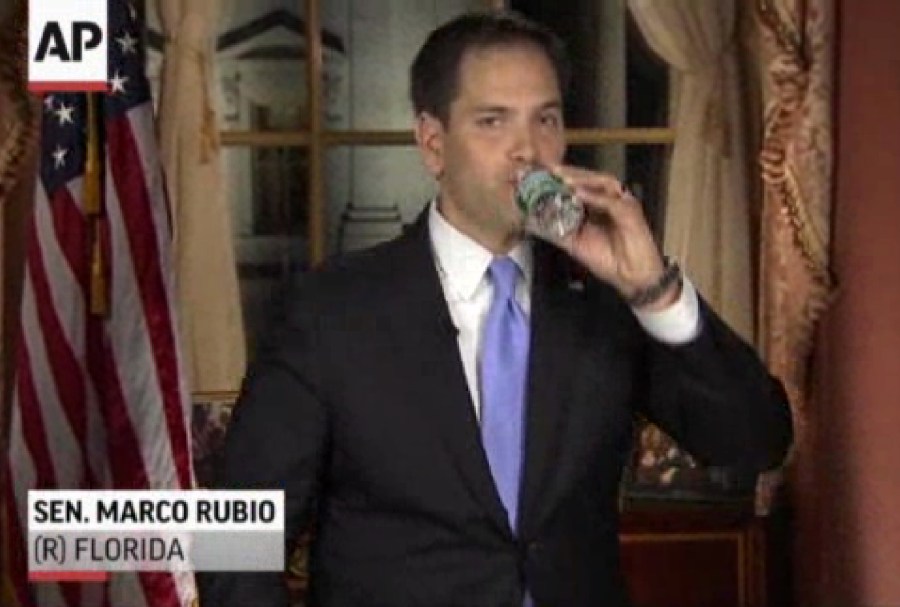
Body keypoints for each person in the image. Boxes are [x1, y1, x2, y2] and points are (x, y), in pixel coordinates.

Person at [198, 10, 792, 607]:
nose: (527, 150)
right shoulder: (331, 313)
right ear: (433, 144)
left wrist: (654, 291)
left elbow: (754, 443)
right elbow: (233, 541)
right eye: (492, 122)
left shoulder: (604, 303)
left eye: (547, 120)